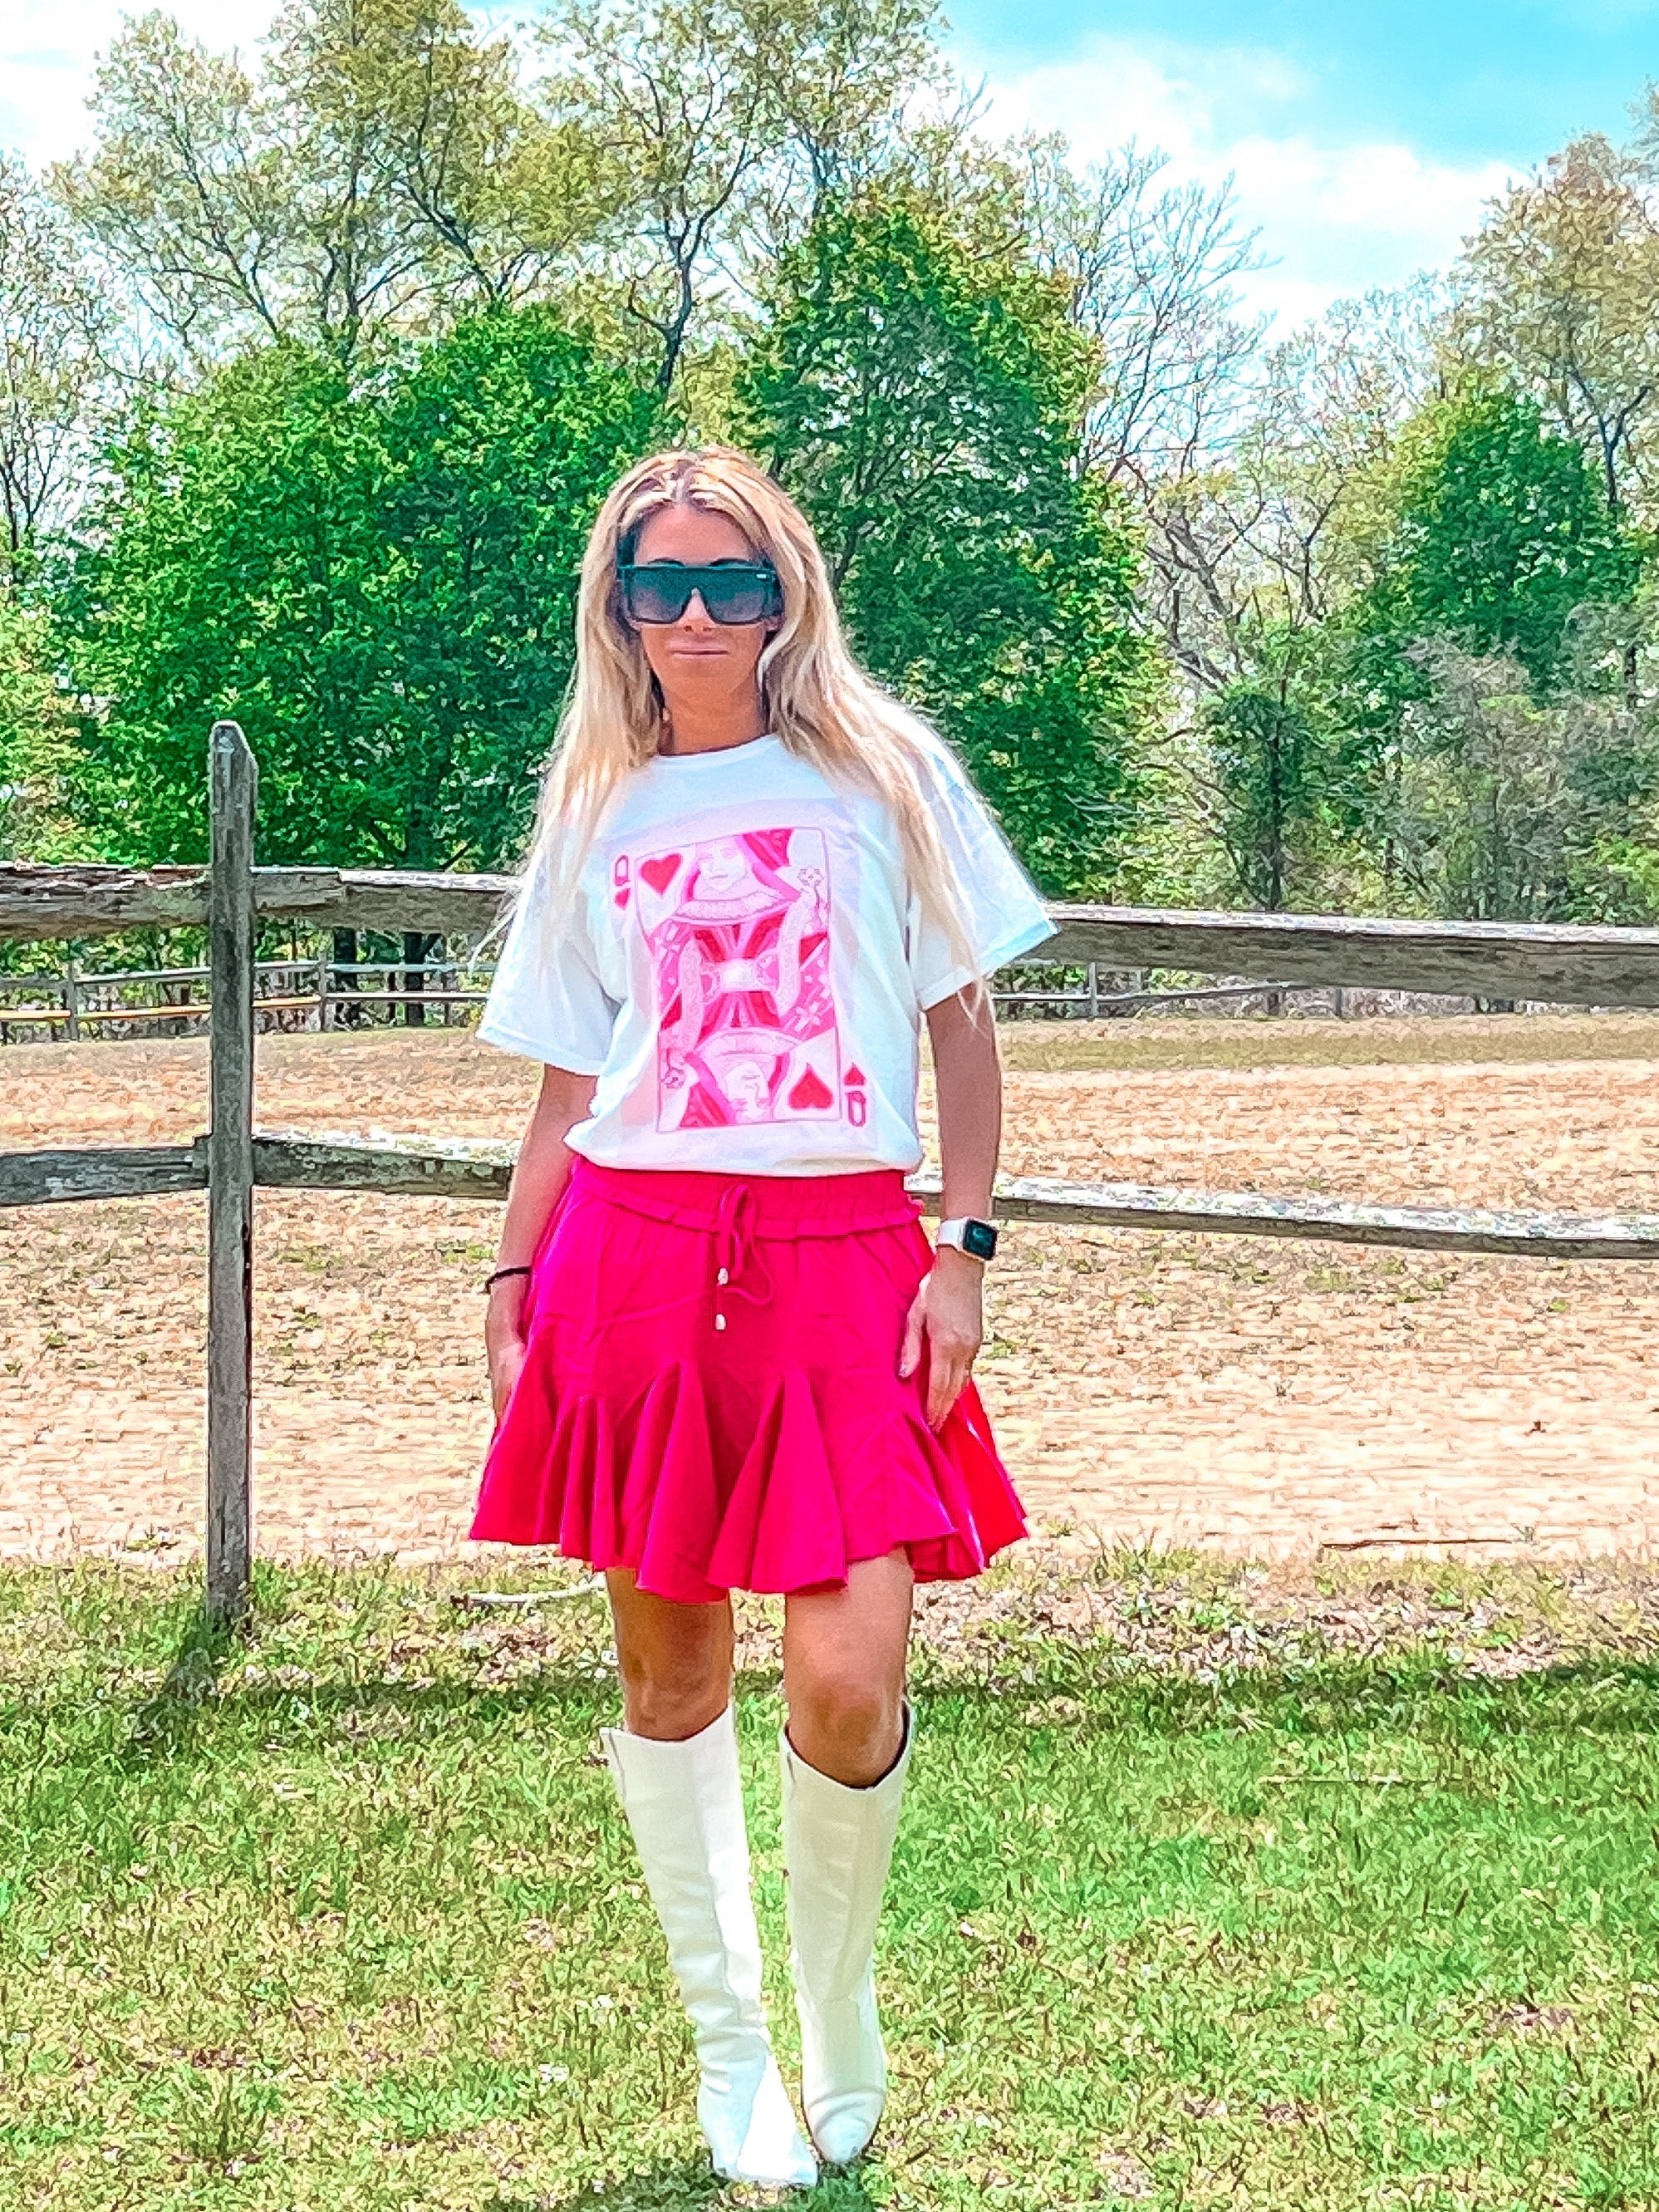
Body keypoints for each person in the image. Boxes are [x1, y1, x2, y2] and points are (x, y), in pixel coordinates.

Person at [471, 447, 1054, 2190]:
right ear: (622, 610)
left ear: (790, 594)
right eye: (668, 586)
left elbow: (961, 1025)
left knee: (846, 1677)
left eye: (741, 581)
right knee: (669, 1668)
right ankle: (736, 2058)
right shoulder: (595, 810)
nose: (706, 614)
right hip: (635, 1260)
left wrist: (963, 1245)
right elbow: (576, 1081)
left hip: (845, 1260)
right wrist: (511, 1277)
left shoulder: (886, 775)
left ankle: (838, 2011)